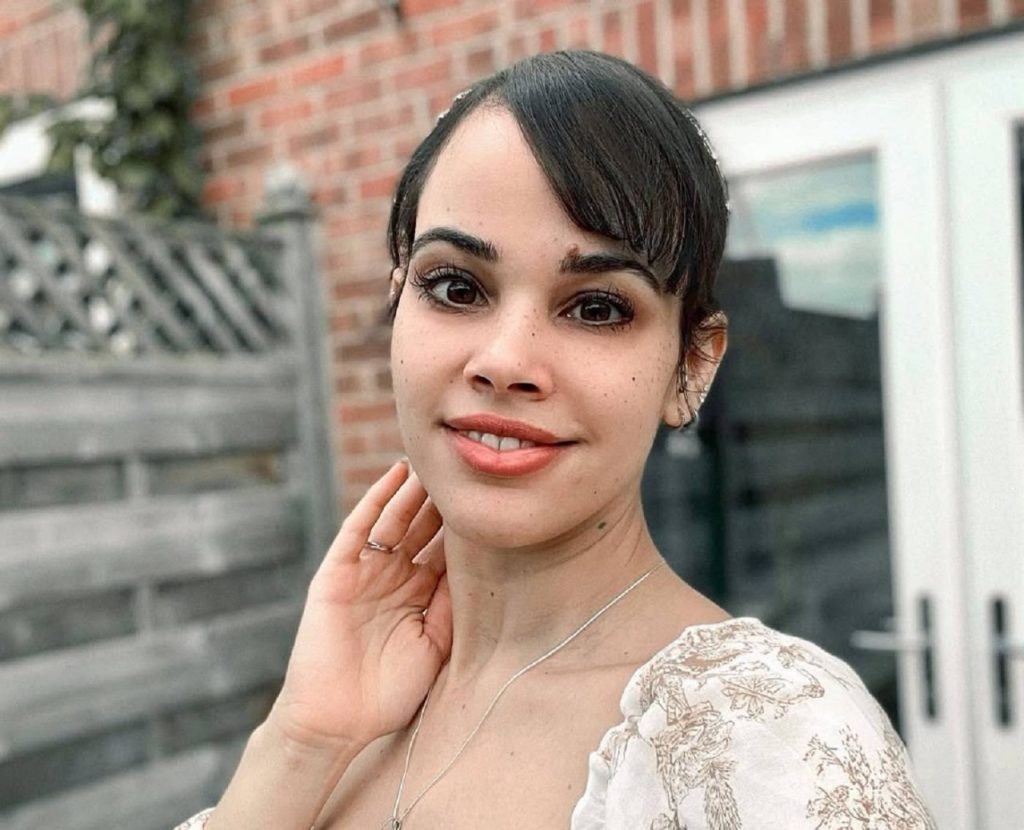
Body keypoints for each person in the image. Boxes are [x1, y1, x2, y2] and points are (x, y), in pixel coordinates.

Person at [177, 50, 934, 830]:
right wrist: (302, 741)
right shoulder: (336, 709)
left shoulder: (770, 745)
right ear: (399, 305)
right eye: (456, 287)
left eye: (597, 307)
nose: (506, 361)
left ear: (691, 366)